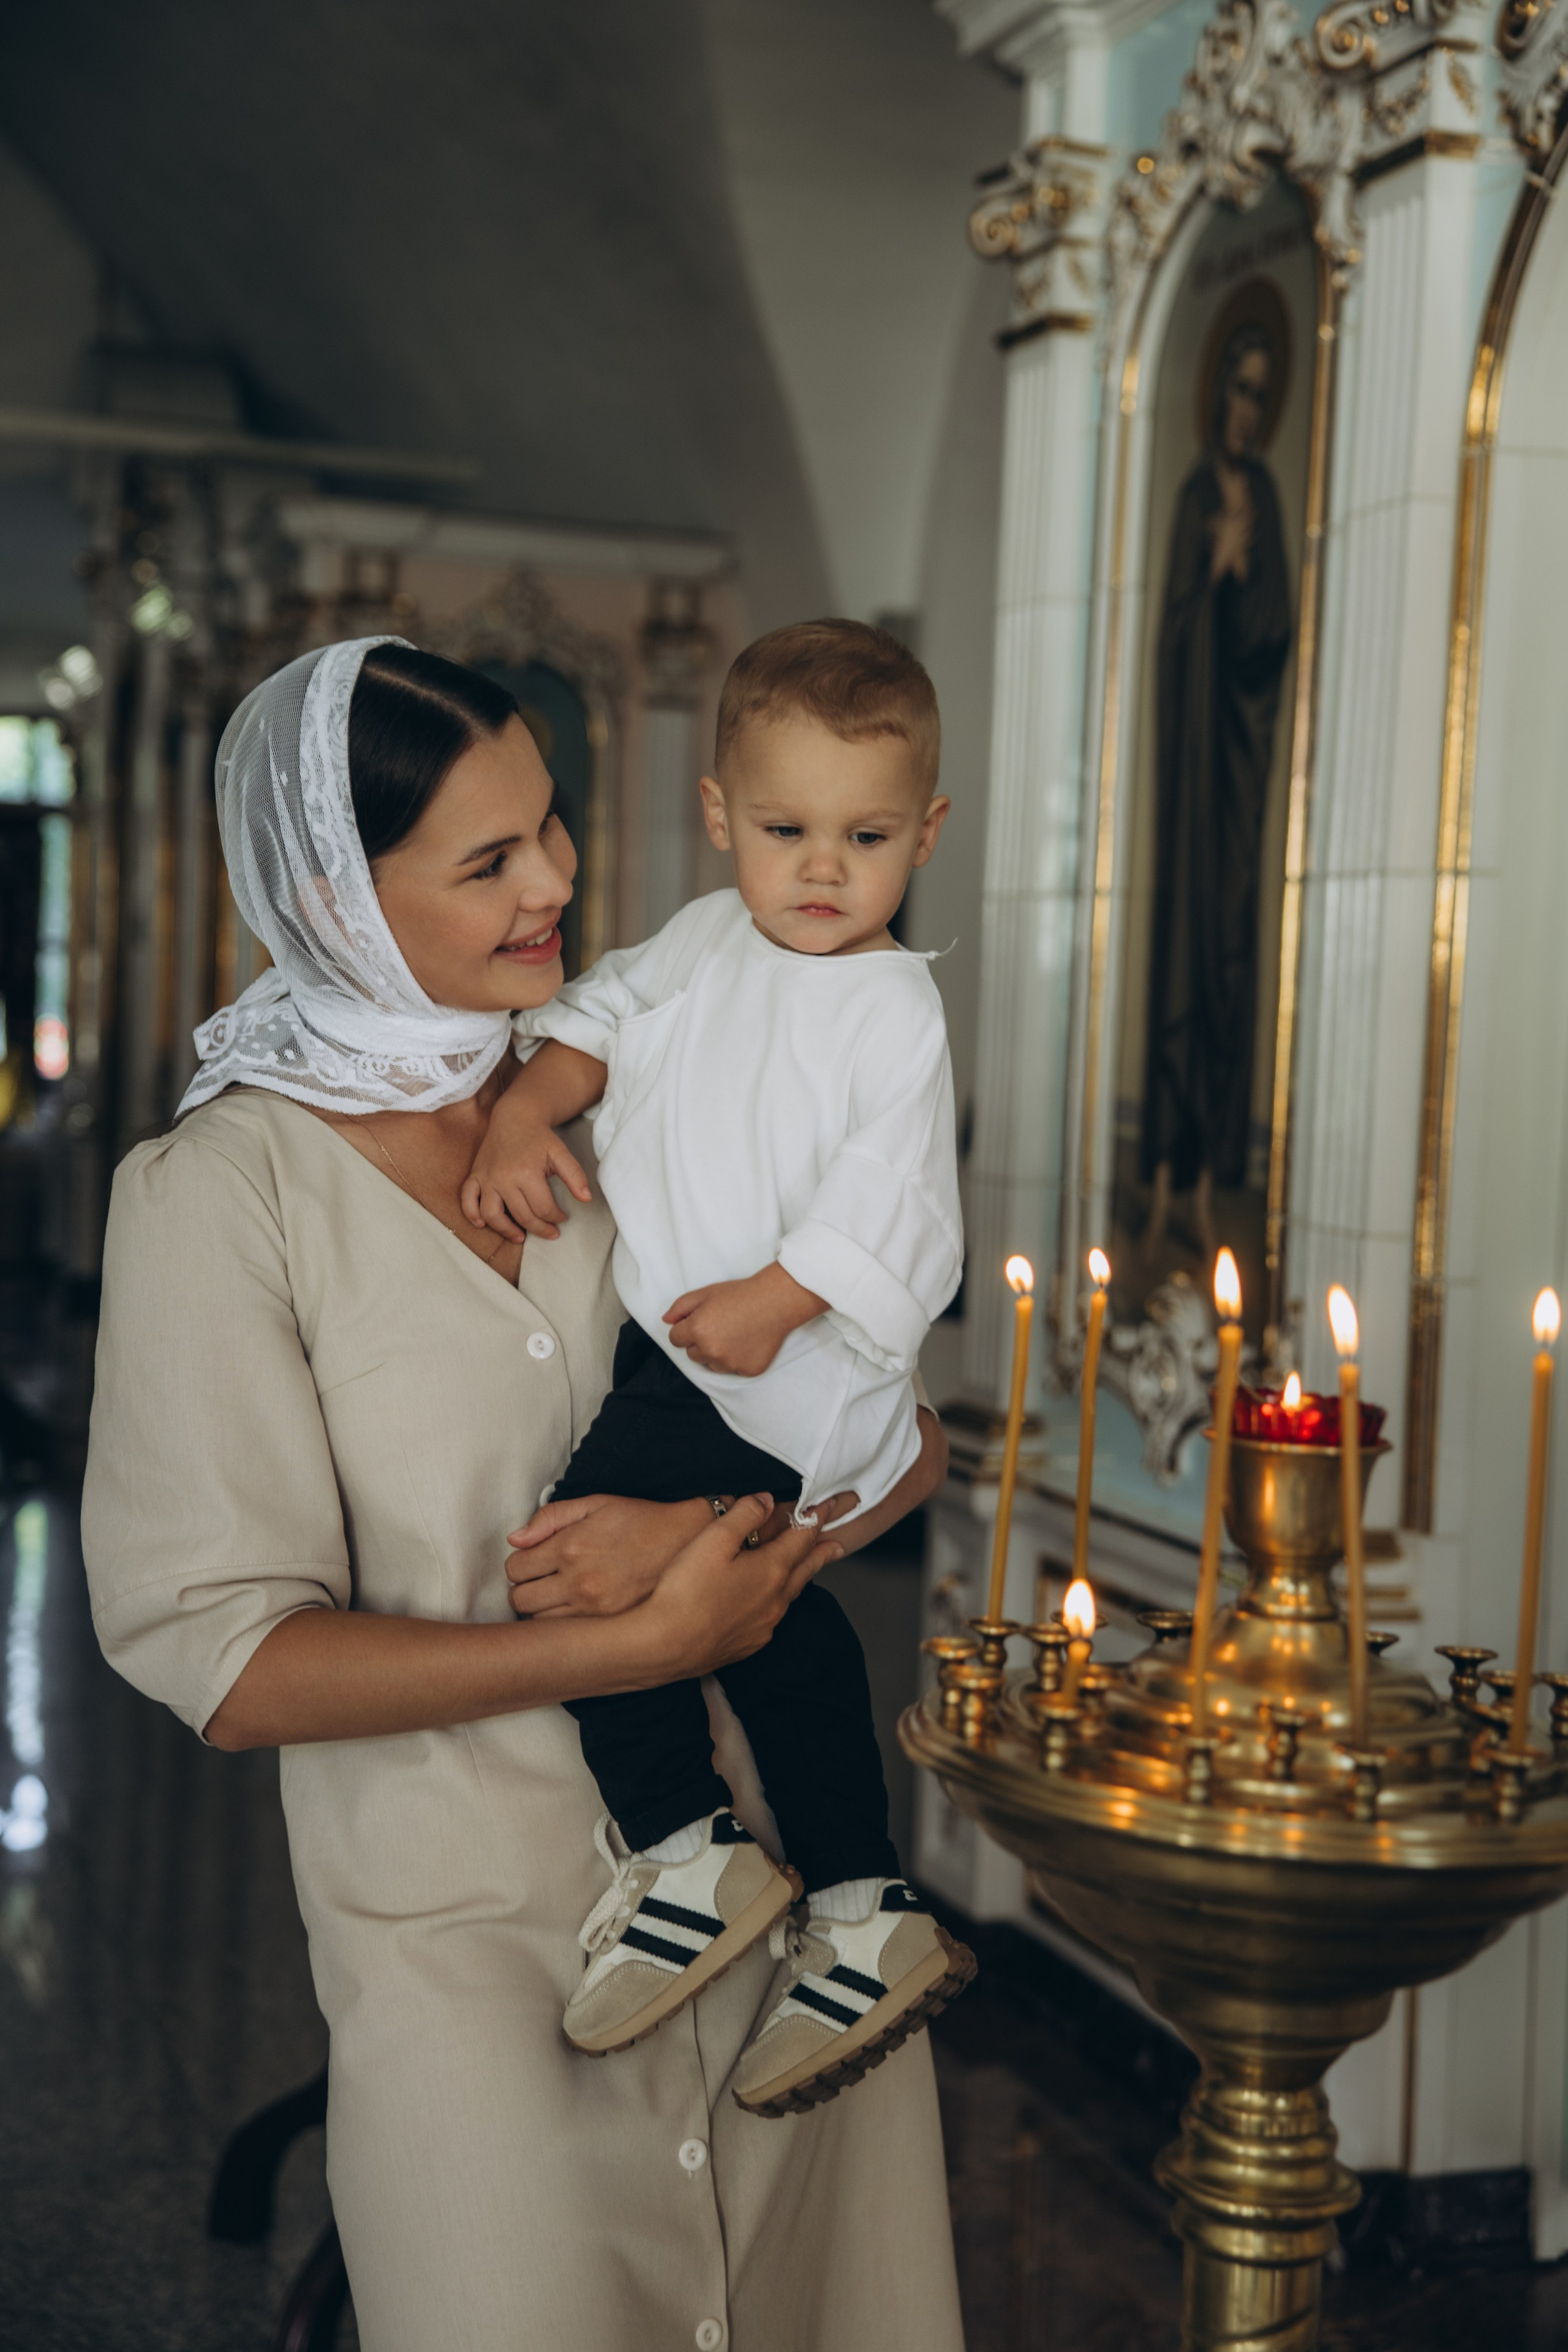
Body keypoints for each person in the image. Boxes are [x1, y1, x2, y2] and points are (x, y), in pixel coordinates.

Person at [81, 636, 965, 2352]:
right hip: (474, 1968)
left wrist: (719, 1549)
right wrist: (630, 1642)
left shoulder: (639, 1077)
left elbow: (901, 1442)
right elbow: (231, 1663)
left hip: (797, 1934)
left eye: (548, 825)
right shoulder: (221, 1192)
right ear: (337, 900)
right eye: (487, 860)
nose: (555, 879)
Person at [463, 620, 971, 2116]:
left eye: (865, 837)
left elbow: (897, 1202)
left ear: (925, 833)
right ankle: (864, 1905)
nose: (821, 870)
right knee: (775, 1634)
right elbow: (596, 1022)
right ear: (717, 816)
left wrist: (781, 1294)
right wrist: (527, 1111)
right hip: (689, 1359)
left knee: (568, 1568)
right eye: (784, 829)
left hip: (779, 1371)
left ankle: (686, 1847)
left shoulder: (892, 1006)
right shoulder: (699, 941)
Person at [1140, 319, 1293, 1264]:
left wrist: (1240, 581)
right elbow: (1172, 634)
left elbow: (1272, 634)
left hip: (1239, 769)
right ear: (1217, 396)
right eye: (1237, 389)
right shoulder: (1198, 493)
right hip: (1190, 774)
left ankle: (1206, 1188)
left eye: (1259, 395)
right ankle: (1161, 1182)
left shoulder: (1264, 496)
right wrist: (1211, 572)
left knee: (1228, 954)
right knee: (1177, 958)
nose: (1244, 409)